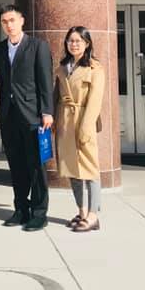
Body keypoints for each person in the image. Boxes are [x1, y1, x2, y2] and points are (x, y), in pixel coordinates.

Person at [0, 4, 54, 232]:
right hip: (8, 116)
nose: (8, 25)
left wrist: (47, 111)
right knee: (16, 166)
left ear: (22, 21)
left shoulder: (38, 46)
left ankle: (39, 213)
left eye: (12, 20)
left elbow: (46, 81)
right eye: (4, 22)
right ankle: (21, 209)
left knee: (36, 166)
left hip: (33, 116)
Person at [55, 26, 105, 233]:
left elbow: (95, 101)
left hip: (84, 120)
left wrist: (86, 127)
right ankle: (82, 211)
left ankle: (93, 215)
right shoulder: (62, 67)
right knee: (72, 169)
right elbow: (56, 96)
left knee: (90, 169)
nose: (74, 44)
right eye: (70, 41)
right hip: (65, 120)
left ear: (87, 44)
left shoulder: (95, 69)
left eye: (78, 41)